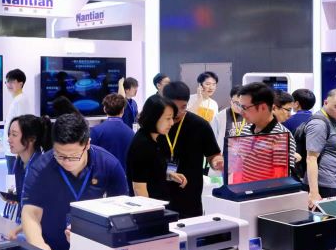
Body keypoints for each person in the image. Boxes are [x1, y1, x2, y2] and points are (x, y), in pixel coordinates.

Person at [22, 113, 128, 250]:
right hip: (52, 249)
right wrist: (40, 247)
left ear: (87, 144)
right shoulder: (40, 169)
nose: (66, 161)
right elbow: (31, 213)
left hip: (97, 248)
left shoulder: (109, 165)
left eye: (73, 156)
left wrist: (92, 232)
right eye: (60, 155)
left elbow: (121, 214)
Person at [162, 82, 223, 218]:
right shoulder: (154, 125)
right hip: (158, 195)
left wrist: (217, 161)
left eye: (183, 107)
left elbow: (213, 154)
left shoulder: (200, 125)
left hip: (190, 196)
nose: (178, 112)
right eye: (174, 107)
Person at [126, 95, 185, 200]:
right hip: (150, 206)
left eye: (172, 118)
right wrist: (150, 209)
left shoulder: (157, 138)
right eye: (168, 118)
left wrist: (170, 175)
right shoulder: (142, 144)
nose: (172, 123)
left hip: (161, 202)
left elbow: (152, 171)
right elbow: (139, 188)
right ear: (154, 118)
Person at [236, 83, 298, 182]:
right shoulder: (245, 130)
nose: (241, 112)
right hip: (244, 189)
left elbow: (280, 179)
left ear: (263, 107)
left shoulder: (281, 136)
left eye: (245, 108)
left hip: (265, 191)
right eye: (240, 107)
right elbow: (239, 165)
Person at [304, 88, 336, 209]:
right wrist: (314, 192)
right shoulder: (318, 124)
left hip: (334, 182)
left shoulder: (335, 120)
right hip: (322, 185)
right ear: (326, 103)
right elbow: (311, 159)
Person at [6, 114, 52, 239]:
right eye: (9, 134)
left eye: (14, 135)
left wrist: (19, 228)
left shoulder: (42, 168)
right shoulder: (19, 162)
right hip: (23, 224)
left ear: (31, 139)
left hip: (40, 231)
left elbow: (44, 210)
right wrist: (14, 197)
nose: (9, 139)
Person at [90, 93, 135, 171]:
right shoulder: (131, 133)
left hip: (103, 175)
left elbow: (91, 158)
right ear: (123, 110)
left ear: (104, 109)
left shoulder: (95, 131)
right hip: (124, 175)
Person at [3, 68, 32, 175]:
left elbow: (22, 126)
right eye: (7, 81)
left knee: (14, 180)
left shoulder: (20, 100)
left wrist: (19, 151)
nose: (9, 84)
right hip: (12, 150)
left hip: (15, 151)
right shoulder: (17, 99)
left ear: (21, 83)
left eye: (12, 81)